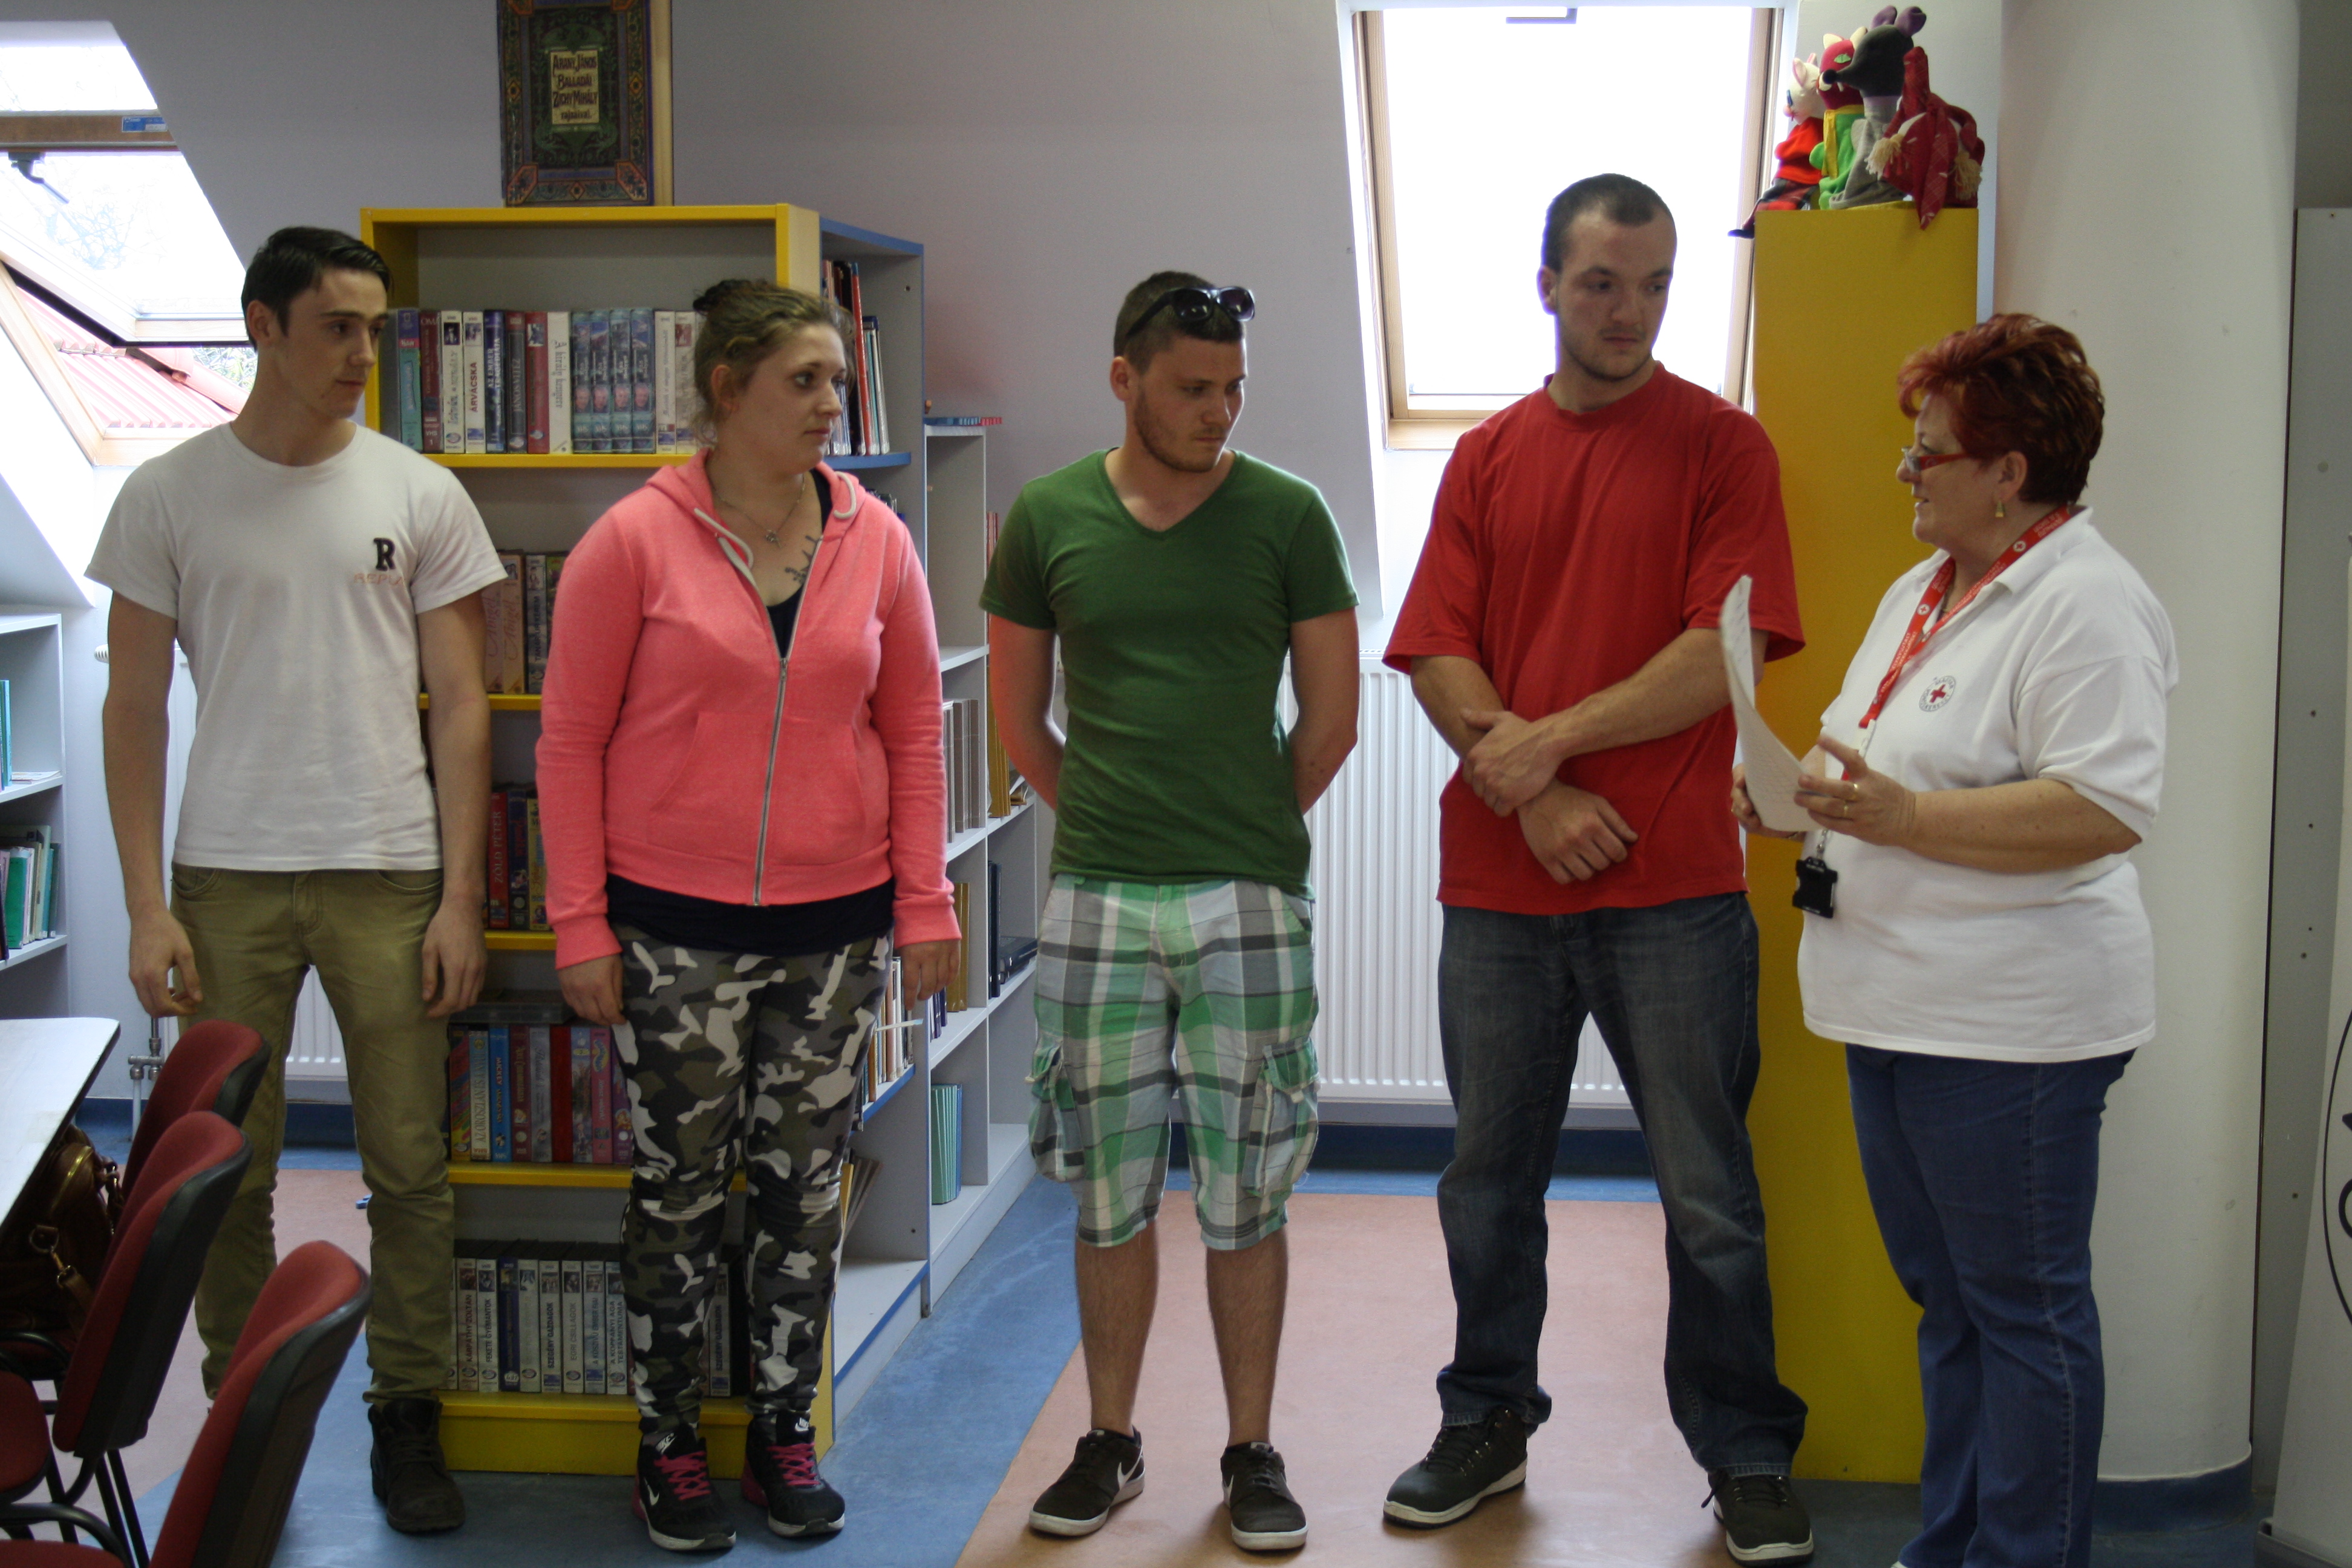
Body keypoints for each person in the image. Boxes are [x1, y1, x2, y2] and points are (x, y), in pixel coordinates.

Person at [1380, 174, 1815, 1561]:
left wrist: (1547, 746)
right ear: (1549, 289)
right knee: (1486, 1185)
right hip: (1502, 893)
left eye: (1657, 285)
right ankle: (1486, 1420)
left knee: (1709, 1194)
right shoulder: (1487, 456)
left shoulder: (1724, 449)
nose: (1631, 312)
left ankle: (1746, 1452)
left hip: (1674, 891)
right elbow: (1437, 647)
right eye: (1603, 284)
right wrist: (1537, 795)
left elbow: (1718, 656)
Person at [1734, 315, 2172, 1568]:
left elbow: (2103, 809)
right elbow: (1862, 755)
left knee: (2023, 1315)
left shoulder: (2088, 603)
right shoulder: (1922, 589)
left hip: (2010, 1033)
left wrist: (1908, 820)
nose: (1905, 471)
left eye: (1926, 453)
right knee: (1956, 1308)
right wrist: (1789, 794)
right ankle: (1956, 1547)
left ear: (2008, 473)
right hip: (1895, 1010)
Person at [537, 279, 959, 1552]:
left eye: (837, 379)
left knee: (804, 1196)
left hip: (834, 934)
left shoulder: (877, 540)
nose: (834, 402)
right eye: (805, 380)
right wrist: (579, 925)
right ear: (727, 392)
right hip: (672, 934)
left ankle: (783, 1433)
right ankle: (666, 1444)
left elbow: (915, 730)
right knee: (675, 1196)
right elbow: (569, 743)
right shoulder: (633, 542)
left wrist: (926, 900)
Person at [93, 226, 500, 1535]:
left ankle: (407, 1415)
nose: (363, 354)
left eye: (376, 329)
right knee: (230, 1172)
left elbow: (462, 707)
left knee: (409, 1167)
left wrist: (461, 897)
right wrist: (146, 905)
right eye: (337, 327)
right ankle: (245, 1422)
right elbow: (134, 707)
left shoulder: (419, 492)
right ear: (262, 326)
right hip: (226, 876)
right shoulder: (166, 494)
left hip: (390, 870)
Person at [984, 271, 1359, 1553]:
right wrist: (1114, 821)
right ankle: (1111, 1440)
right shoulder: (1048, 518)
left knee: (1249, 1188)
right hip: (1097, 895)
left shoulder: (1288, 514)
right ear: (1124, 379)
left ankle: (1251, 1450)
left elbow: (1330, 719)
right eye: (1194, 388)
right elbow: (1020, 723)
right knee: (1108, 1192)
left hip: (1247, 895)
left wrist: (1239, 828)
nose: (1219, 411)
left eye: (1234, 388)